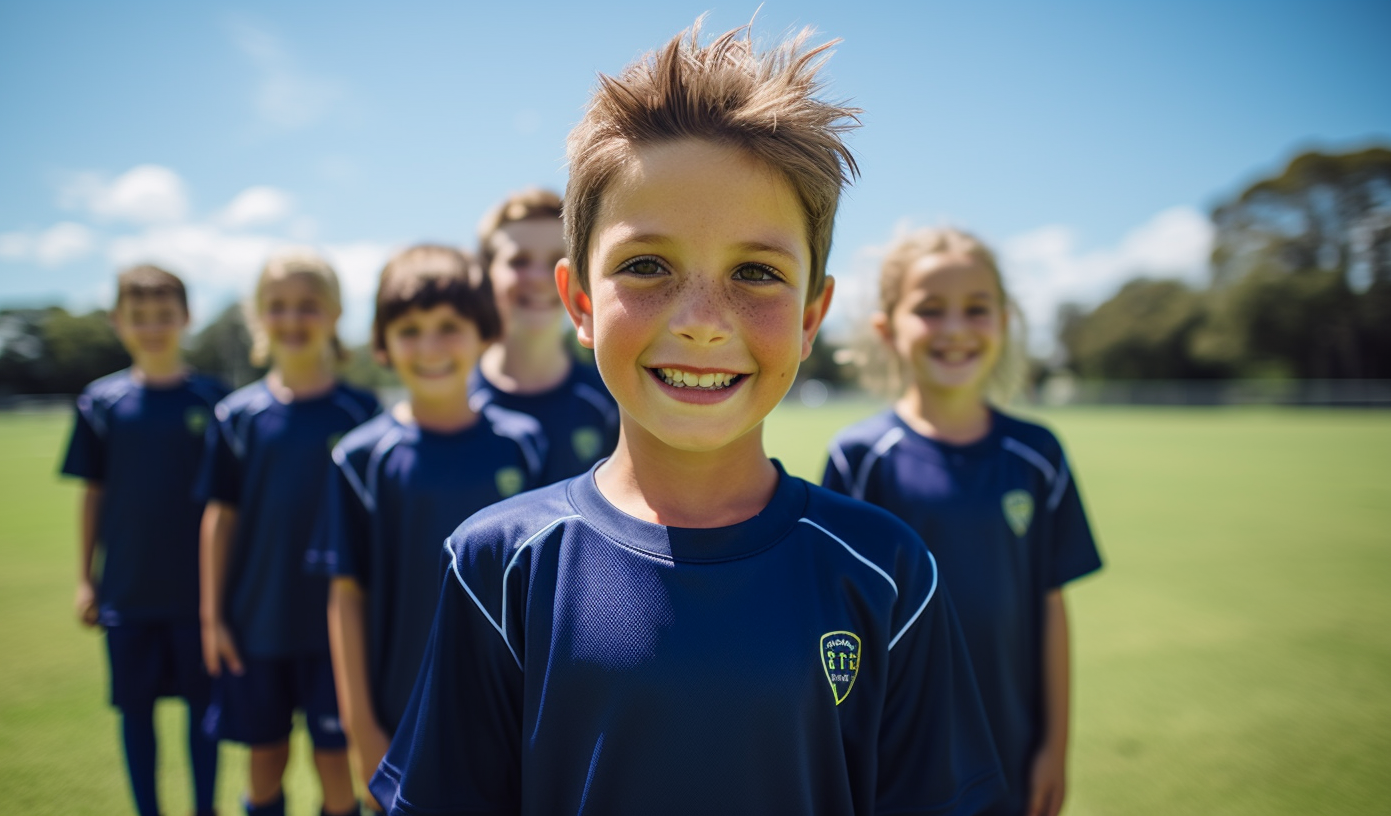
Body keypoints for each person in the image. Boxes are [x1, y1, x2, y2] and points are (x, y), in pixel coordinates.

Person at [371, 21, 1006, 816]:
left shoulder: (886, 574)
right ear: (578, 301)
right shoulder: (497, 565)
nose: (703, 321)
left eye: (755, 272)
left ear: (812, 317)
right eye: (647, 266)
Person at [822, 227, 1103, 816]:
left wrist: (1055, 746)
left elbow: (1051, 607)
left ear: (1005, 320)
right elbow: (837, 627)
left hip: (1012, 748)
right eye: (929, 310)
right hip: (894, 758)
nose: (954, 329)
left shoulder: (1037, 455)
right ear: (887, 329)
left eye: (977, 309)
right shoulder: (860, 458)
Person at [315, 245, 547, 808]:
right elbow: (345, 596)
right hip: (400, 718)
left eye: (448, 327)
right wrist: (362, 729)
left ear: (483, 332)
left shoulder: (524, 442)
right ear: (383, 344)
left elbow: (544, 589)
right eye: (410, 330)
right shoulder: (360, 457)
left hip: (507, 714)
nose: (430, 346)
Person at [197, 249, 379, 816]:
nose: (293, 318)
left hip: (338, 631)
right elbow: (219, 518)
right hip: (257, 626)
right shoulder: (237, 417)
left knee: (334, 768)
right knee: (265, 760)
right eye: (277, 306)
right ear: (259, 317)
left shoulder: (362, 412)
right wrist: (213, 618)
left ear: (334, 314)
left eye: (308, 305)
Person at [59, 264, 227, 816]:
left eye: (164, 315)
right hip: (127, 594)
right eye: (139, 317)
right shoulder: (99, 403)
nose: (153, 327)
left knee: (205, 716)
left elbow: (231, 507)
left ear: (186, 318)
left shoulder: (216, 401)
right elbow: (93, 495)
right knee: (136, 715)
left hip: (198, 599)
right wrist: (86, 578)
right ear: (117, 322)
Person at [469, 188, 618, 483]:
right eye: (519, 261)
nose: (539, 277)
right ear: (486, 273)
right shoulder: (455, 402)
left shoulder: (612, 401)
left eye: (557, 259)